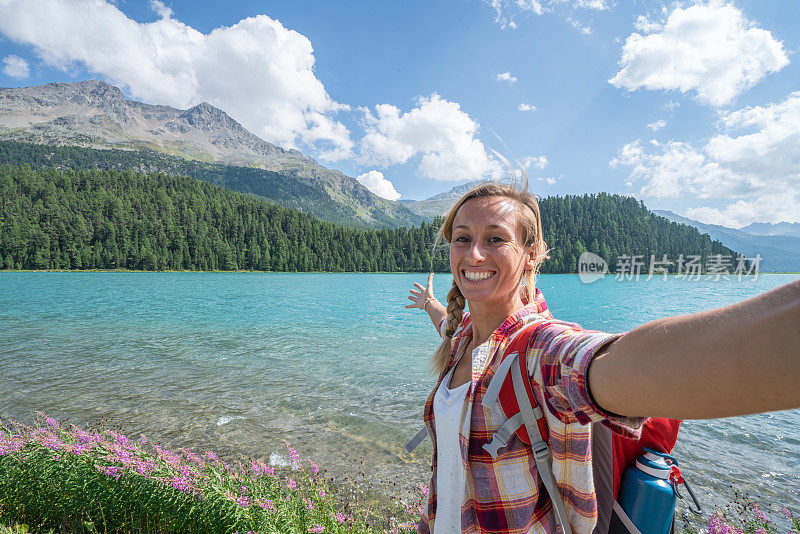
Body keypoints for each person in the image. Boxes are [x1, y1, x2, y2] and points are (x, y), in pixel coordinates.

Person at [405, 180, 800, 534]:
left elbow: (617, 364)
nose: (473, 254)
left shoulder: (538, 352)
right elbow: (450, 328)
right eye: (462, 238)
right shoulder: (464, 343)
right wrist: (431, 306)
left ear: (532, 253)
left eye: (495, 239)